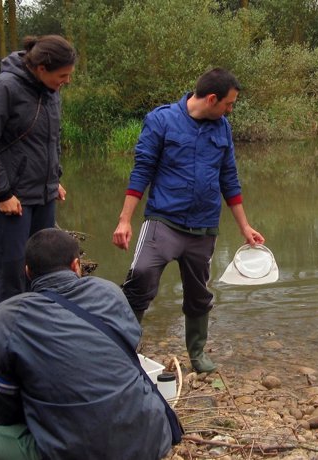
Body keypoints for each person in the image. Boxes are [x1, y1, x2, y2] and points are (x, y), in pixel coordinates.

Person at [0, 228, 172, 460]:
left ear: (27, 271)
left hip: (76, 451)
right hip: (149, 438)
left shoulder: (8, 316)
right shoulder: (110, 292)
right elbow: (130, 347)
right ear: (76, 265)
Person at [112, 68, 265, 373]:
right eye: (229, 104)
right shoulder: (162, 120)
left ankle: (197, 355)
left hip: (204, 225)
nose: (230, 110)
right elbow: (142, 170)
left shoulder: (221, 128)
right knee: (141, 275)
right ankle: (119, 349)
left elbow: (229, 180)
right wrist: (124, 220)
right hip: (163, 220)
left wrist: (244, 226)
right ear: (211, 98)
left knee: (199, 293)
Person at [0, 35, 76, 305]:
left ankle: (39, 333)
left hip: (43, 196)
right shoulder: (4, 88)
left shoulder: (51, 93)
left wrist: (54, 179)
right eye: (62, 75)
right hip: (10, 199)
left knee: (46, 271)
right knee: (12, 276)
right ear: (41, 69)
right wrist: (3, 194)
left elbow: (51, 140)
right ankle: (11, 339)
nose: (67, 81)